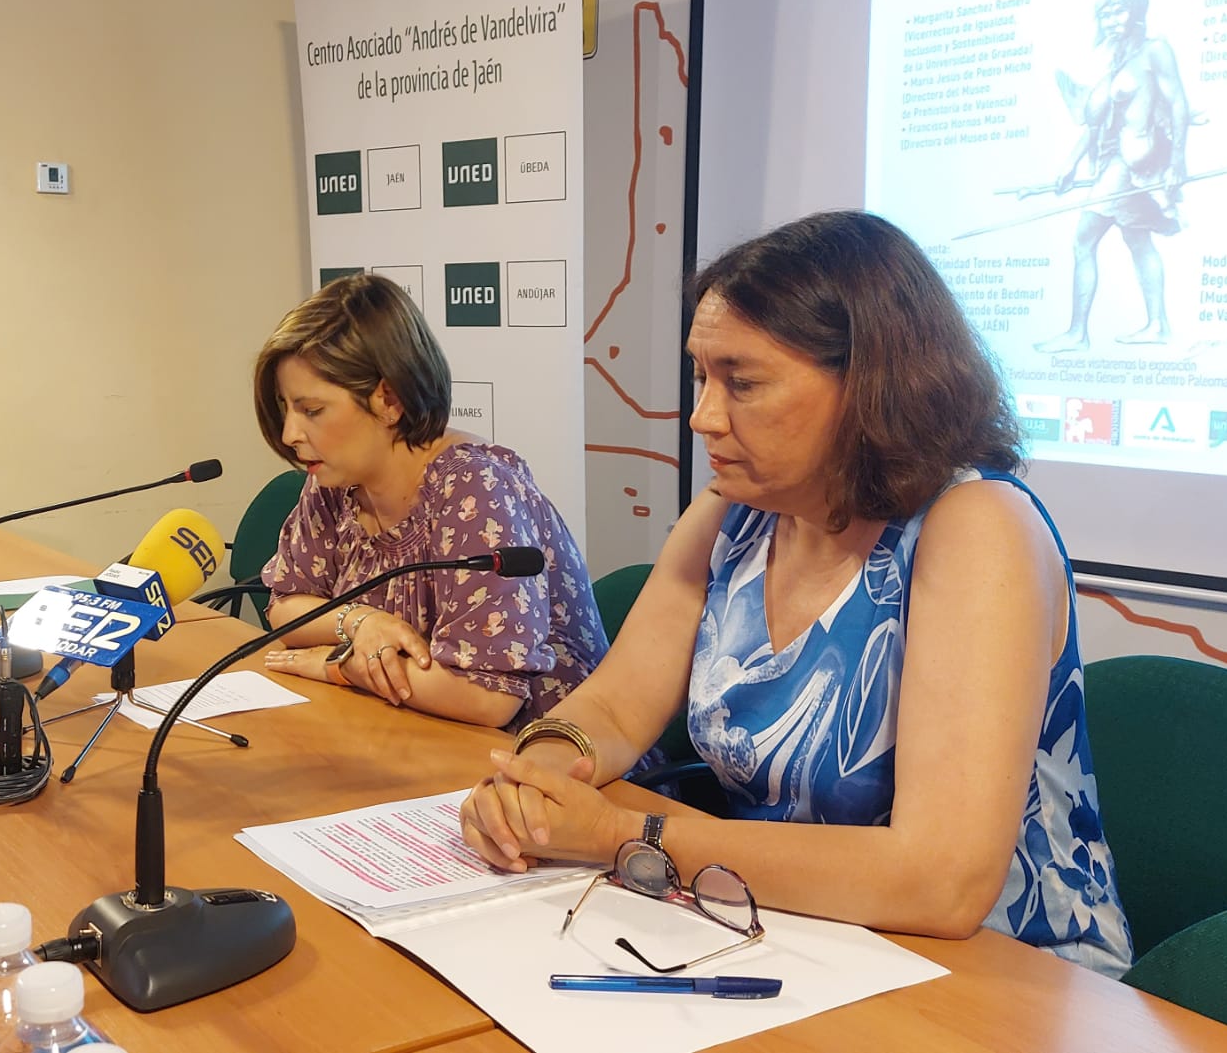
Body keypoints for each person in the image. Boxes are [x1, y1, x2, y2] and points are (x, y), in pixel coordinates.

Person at [460, 212, 1134, 976]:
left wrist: (623, 834)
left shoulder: (978, 526)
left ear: (870, 383)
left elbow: (941, 882)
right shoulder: (733, 514)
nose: (703, 416)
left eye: (741, 382)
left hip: (1006, 975)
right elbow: (612, 708)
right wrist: (537, 775)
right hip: (799, 933)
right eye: (701, 376)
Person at [253, 273, 605, 731]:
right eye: (286, 408)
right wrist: (359, 623)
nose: (290, 435)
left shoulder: (476, 489)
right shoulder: (333, 480)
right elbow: (286, 606)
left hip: (539, 764)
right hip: (410, 732)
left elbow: (487, 699)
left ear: (388, 400)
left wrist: (337, 667)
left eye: (312, 410)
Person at [1035, 0, 1189, 353]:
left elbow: (1178, 103)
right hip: (1112, 161)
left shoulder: (1155, 51)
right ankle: (1157, 325)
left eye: (1118, 12)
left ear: (1137, 13)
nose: (1110, 21)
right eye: (1105, 14)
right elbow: (1099, 126)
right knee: (1138, 241)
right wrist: (1070, 164)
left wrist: (1177, 163)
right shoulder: (1118, 63)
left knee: (1083, 239)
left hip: (1130, 164)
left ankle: (1078, 333)